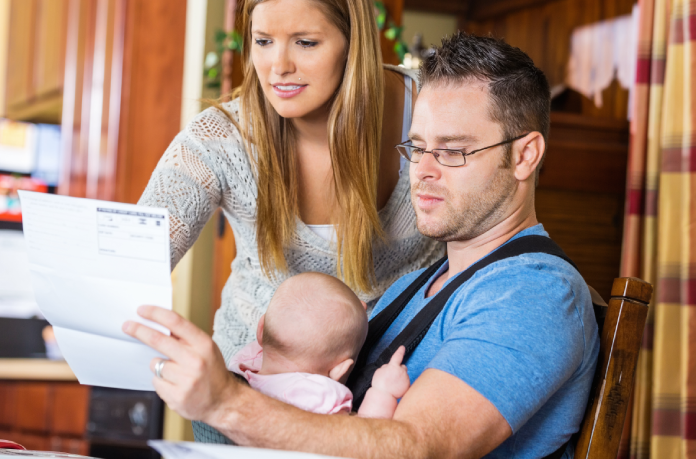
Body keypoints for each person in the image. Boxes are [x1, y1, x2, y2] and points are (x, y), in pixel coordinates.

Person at [124, 32, 600, 458]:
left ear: (525, 155)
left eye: (453, 151)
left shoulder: (534, 295)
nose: (424, 171)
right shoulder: (416, 285)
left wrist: (226, 404)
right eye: (417, 148)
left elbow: (418, 448)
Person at [136, 0, 444, 430]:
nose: (277, 66)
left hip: (390, 398)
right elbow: (137, 256)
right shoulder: (221, 139)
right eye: (263, 41)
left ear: (352, 43)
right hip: (248, 396)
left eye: (305, 42)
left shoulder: (432, 112)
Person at [227, 271, 408, 419]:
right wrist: (383, 393)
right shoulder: (317, 398)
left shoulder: (241, 367)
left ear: (260, 330)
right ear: (340, 370)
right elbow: (360, 440)